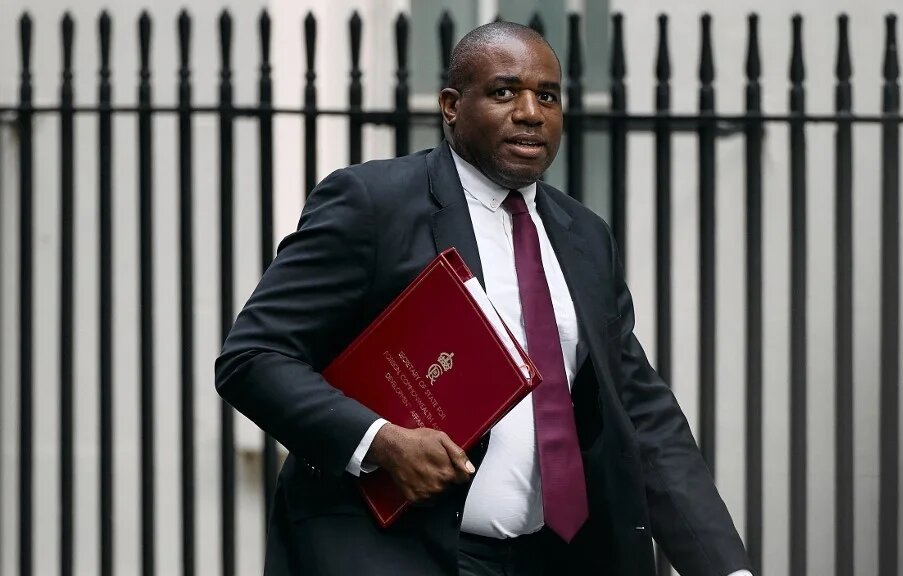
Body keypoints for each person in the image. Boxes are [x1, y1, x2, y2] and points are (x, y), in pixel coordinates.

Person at [216, 21, 752, 576]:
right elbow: (253, 358)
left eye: (547, 95)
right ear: (451, 105)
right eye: (504, 92)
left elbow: (638, 411)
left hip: (554, 559)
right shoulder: (373, 204)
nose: (530, 112)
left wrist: (724, 568)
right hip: (401, 551)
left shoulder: (584, 235)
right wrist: (380, 442)